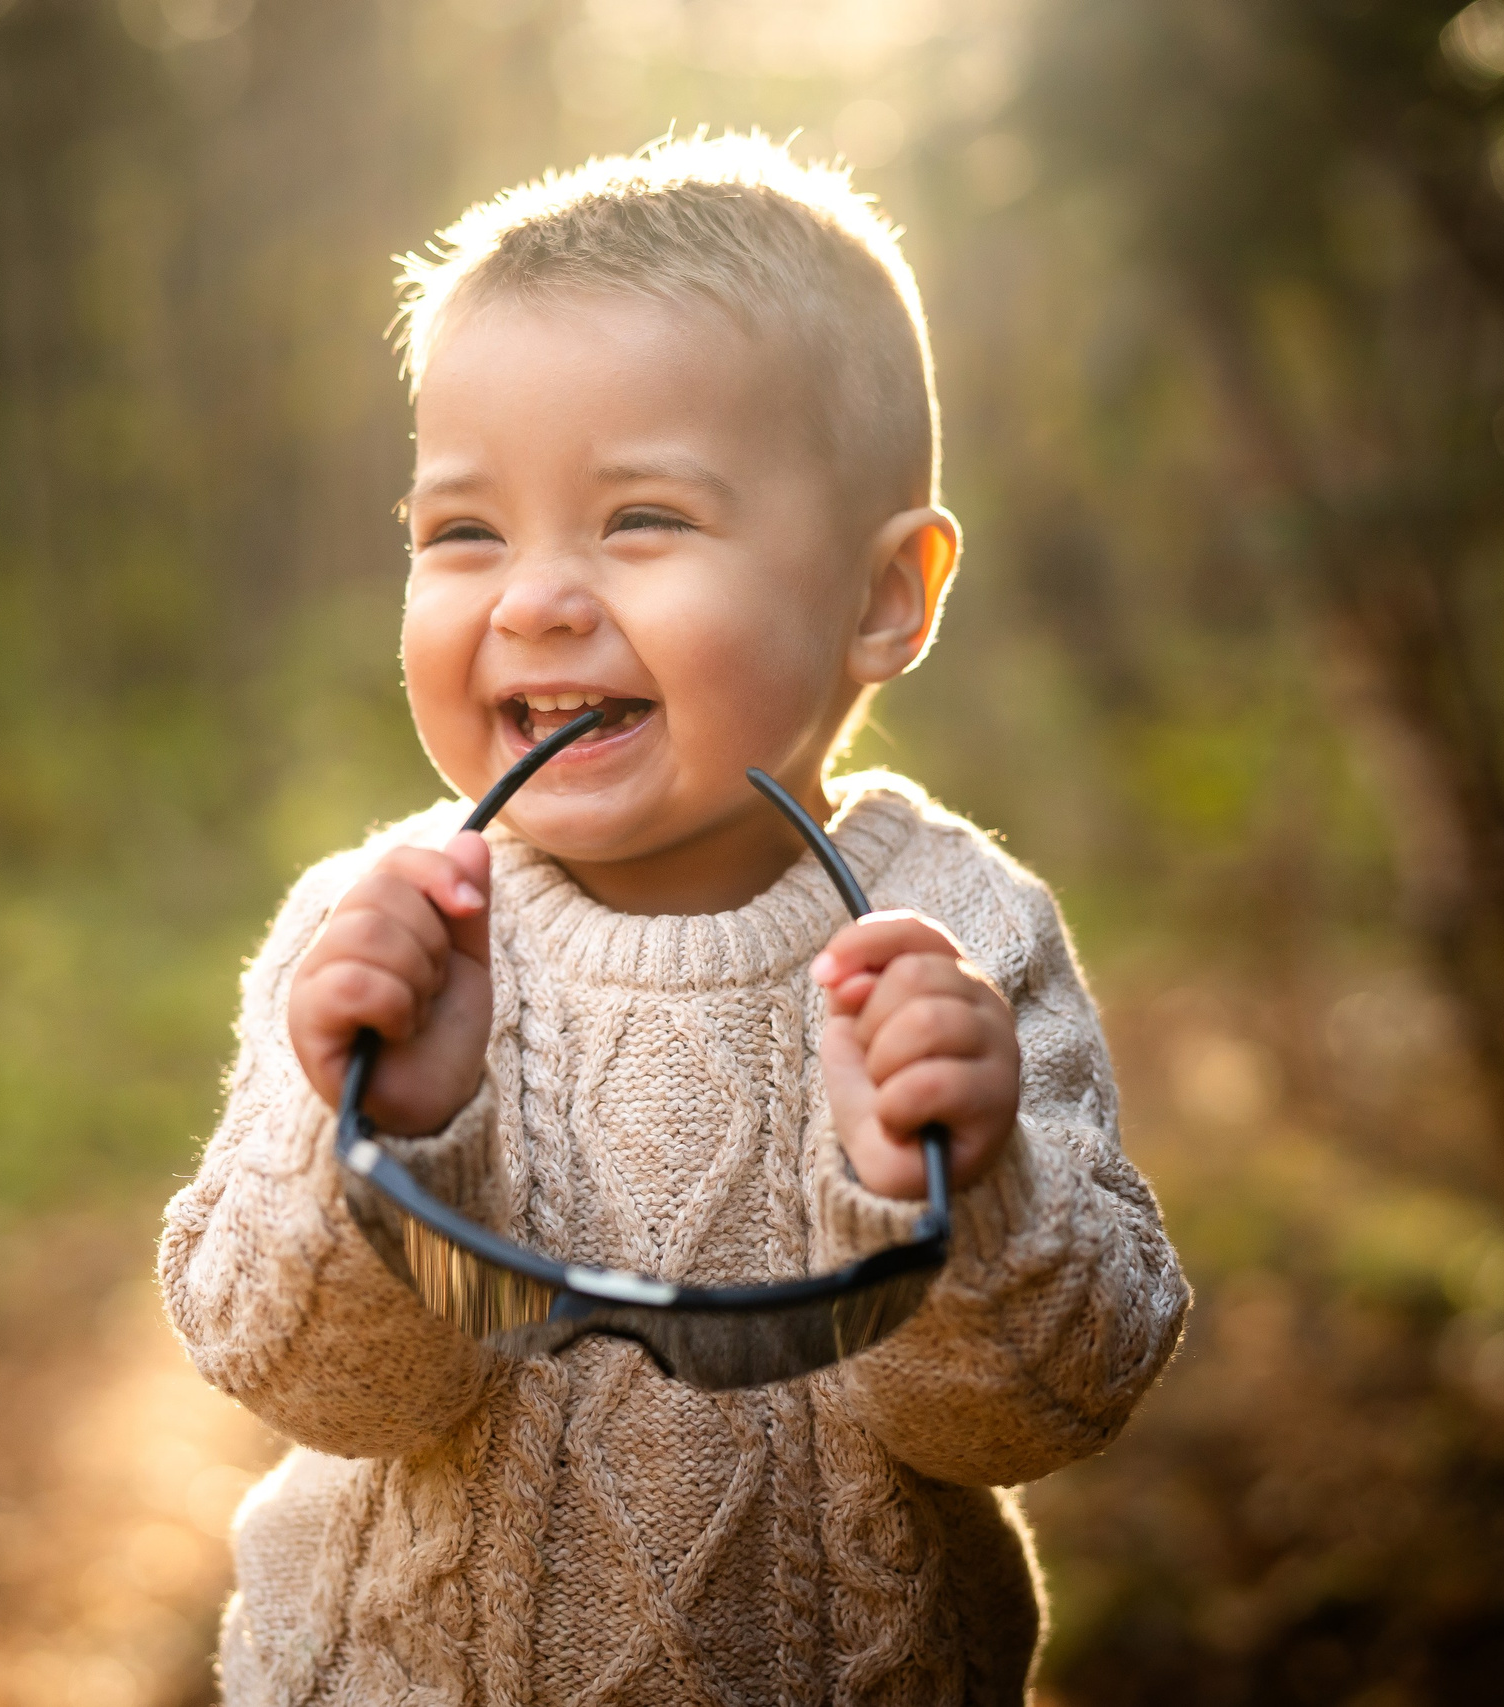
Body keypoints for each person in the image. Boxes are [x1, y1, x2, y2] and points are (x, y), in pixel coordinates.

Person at [158, 133, 1189, 1706]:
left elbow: (1039, 1413)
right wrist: (386, 1127)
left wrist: (957, 1191)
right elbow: (309, 1381)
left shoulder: (955, 932)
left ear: (883, 598)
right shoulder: (377, 932)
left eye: (639, 519)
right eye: (463, 533)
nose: (534, 600)